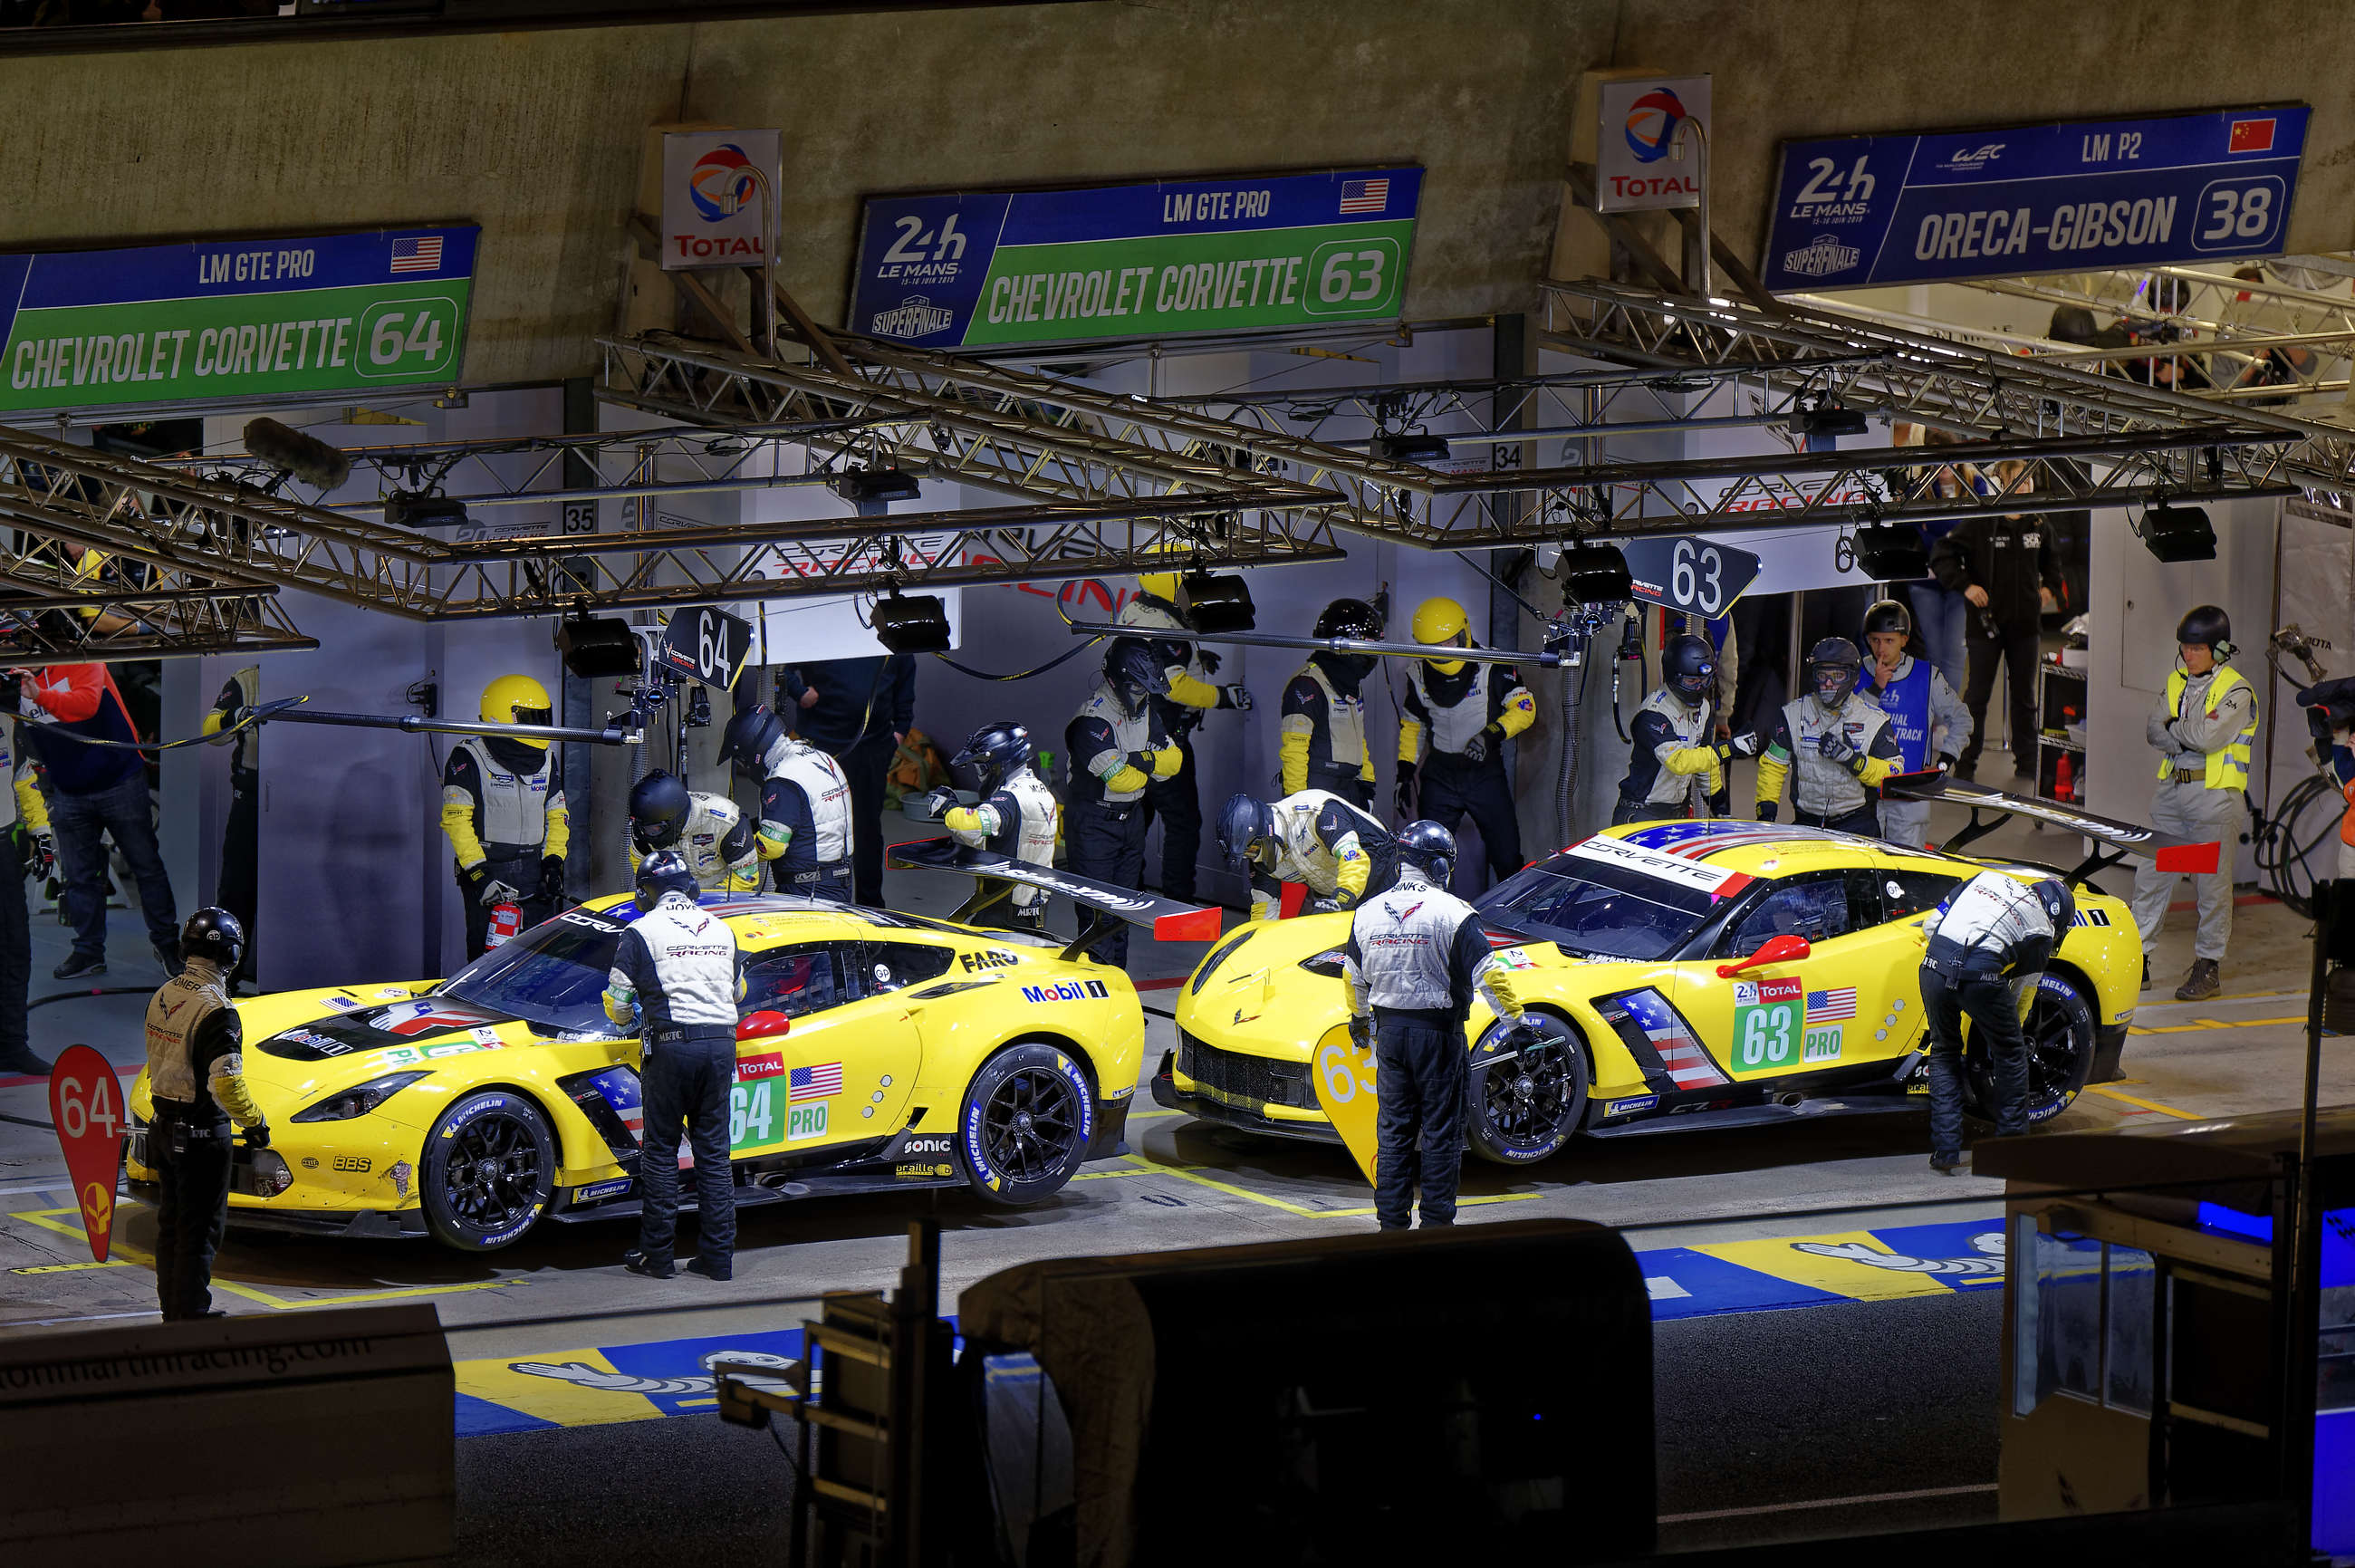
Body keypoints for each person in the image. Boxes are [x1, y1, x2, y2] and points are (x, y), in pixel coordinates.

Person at [1341, 820, 1536, 1229]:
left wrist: (1359, 1019)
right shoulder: (1456, 913)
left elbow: (1352, 976)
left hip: (1390, 1036)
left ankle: (1391, 1227)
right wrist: (1516, 1024)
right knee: (1442, 1136)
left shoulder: (1366, 912)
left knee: (1393, 1136)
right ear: (1438, 867)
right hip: (1439, 1038)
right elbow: (1490, 974)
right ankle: (1435, 1229)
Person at [606, 851, 744, 1282]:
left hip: (671, 1048)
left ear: (646, 893)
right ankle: (719, 1260)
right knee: (715, 1156)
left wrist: (635, 1015)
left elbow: (618, 1006)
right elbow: (738, 992)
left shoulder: (640, 932)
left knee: (662, 1153)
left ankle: (658, 1258)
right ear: (690, 888)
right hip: (722, 1046)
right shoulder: (723, 929)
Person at [17, 661, 178, 977]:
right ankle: (88, 951)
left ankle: (168, 945)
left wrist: (40, 695)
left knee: (146, 866)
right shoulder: (13, 681)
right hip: (68, 791)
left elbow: (86, 706)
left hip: (119, 780)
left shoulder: (84, 660)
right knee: (79, 877)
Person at [2129, 606, 2256, 1002]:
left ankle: (2208, 966)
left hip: (2213, 800)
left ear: (2219, 650)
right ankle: (2139, 960)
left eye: (2197, 648)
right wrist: (2184, 733)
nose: (2188, 654)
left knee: (2212, 887)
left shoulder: (2237, 690)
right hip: (2172, 796)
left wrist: (2176, 730)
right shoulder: (2176, 681)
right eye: (2184, 646)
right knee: (2152, 878)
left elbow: (2209, 737)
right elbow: (2153, 730)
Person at [141, 908, 264, 1319]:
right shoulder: (217, 1011)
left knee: (170, 1228)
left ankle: (172, 1314)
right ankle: (191, 1318)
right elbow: (225, 1083)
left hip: (162, 1129)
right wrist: (255, 1121)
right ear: (231, 955)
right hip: (200, 1138)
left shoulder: (164, 994)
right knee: (199, 1234)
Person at [1919, 871, 2071, 1173]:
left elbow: (1931, 926)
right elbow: (2020, 1000)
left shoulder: (1982, 878)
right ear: (2057, 919)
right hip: (1983, 974)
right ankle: (2009, 1151)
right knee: (2012, 1054)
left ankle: (1945, 1151)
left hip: (1933, 965)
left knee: (1944, 1052)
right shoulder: (2042, 931)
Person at [1119, 572, 1252, 899]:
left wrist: (1194, 658)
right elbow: (1175, 687)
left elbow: (1151, 660)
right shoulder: (1167, 629)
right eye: (1188, 587)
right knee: (1183, 824)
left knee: (1137, 818)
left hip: (1131, 732)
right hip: (1165, 739)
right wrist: (1224, 696)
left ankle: (1127, 895)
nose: (1195, 595)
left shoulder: (1136, 608)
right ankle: (1178, 903)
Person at [1929, 462, 2064, 782]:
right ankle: (1965, 765)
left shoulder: (2039, 523)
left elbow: (2055, 562)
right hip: (1985, 627)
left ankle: (2028, 765)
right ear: (2000, 482)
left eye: (2028, 479)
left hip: (2026, 627)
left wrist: (2049, 588)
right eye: (2016, 480)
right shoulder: (1981, 523)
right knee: (1977, 697)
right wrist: (1966, 585)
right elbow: (1941, 553)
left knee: (2025, 698)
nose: (2024, 486)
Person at [1397, 595, 1534, 882]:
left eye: (1449, 642)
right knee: (1428, 859)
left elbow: (1525, 708)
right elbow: (1413, 725)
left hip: (1484, 774)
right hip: (1439, 776)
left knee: (1508, 858)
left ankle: (1509, 923)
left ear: (1464, 633)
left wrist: (1490, 734)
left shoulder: (1493, 663)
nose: (1443, 650)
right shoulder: (1417, 672)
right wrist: (1405, 772)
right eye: (1434, 646)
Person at [1064, 638, 1179, 967]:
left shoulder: (1146, 712)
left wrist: (1135, 759)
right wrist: (1150, 765)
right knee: (1097, 915)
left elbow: (1174, 763)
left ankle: (1117, 994)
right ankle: (1095, 1000)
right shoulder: (1090, 722)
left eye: (1146, 688)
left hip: (1132, 820)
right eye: (1136, 687)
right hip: (1092, 825)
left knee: (1122, 912)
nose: (1141, 695)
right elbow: (1121, 780)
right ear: (1115, 679)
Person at [439, 674, 570, 959]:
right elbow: (457, 821)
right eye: (531, 717)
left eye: (542, 716)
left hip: (535, 871)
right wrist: (479, 876)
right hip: (488, 871)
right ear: (502, 716)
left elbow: (557, 814)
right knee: (488, 964)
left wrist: (553, 863)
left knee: (540, 959)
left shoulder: (547, 758)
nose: (539, 724)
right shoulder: (467, 757)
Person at [778, 655, 915, 907]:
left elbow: (905, 683)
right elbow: (781, 671)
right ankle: (808, 902)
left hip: (872, 747)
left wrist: (899, 732)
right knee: (813, 827)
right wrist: (800, 692)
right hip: (820, 745)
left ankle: (870, 905)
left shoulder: (887, 637)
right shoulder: (821, 629)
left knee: (867, 829)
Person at [1754, 639, 1903, 834]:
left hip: (1857, 823)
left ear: (1854, 678)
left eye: (1838, 675)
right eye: (1822, 675)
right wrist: (1766, 812)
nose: (1829, 683)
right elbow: (1773, 765)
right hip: (1807, 822)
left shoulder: (1874, 720)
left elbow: (1894, 773)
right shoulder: (1792, 714)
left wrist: (1853, 760)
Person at [1858, 599, 1974, 849]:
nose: (1881, 649)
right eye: (1875, 640)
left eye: (1889, 641)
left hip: (1910, 796)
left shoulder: (1927, 675)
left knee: (1906, 869)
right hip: (1863, 794)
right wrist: (1876, 688)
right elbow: (1848, 723)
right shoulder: (1858, 674)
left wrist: (1946, 760)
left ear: (1904, 640)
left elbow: (1962, 719)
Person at [923, 720, 1059, 930]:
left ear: (998, 763)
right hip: (1035, 903)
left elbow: (972, 825)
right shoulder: (1041, 791)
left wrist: (947, 807)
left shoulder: (1010, 799)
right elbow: (1004, 833)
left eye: (981, 767)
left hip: (1004, 905)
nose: (981, 774)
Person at [718, 702, 852, 899]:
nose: (744, 765)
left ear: (751, 750)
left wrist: (733, 850)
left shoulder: (782, 780)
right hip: (838, 879)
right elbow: (801, 817)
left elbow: (771, 846)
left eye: (742, 759)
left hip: (808, 889)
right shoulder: (820, 757)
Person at [1216, 787, 1399, 924]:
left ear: (1263, 832)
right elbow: (1263, 916)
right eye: (1247, 855)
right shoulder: (1261, 860)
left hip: (1387, 879)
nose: (1253, 858)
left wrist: (1340, 901)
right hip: (1344, 900)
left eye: (1251, 850)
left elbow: (1354, 859)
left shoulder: (1314, 812)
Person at [1615, 632, 1736, 825]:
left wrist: (1720, 807)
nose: (1699, 687)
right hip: (1641, 812)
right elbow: (1679, 762)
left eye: (1704, 681)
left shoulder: (1704, 708)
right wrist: (1729, 748)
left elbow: (1704, 760)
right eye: (1691, 681)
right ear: (1674, 676)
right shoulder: (1653, 713)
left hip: (1677, 813)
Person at [1281, 598, 1382, 807]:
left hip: (1349, 788)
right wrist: (1296, 802)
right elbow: (1294, 750)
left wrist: (1367, 783)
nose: (1371, 655)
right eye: (1366, 646)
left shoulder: (1350, 684)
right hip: (1316, 791)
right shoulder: (1307, 684)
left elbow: (1358, 739)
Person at [0, 700, 53, 1076]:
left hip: (1, 846)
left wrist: (41, 833)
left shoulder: (7, 722)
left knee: (14, 947)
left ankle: (11, 1044)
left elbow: (25, 779)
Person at [199, 668, 258, 988]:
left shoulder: (316, 672)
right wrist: (238, 714)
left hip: (300, 797)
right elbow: (212, 732)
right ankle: (226, 979)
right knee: (237, 890)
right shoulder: (246, 680)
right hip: (249, 798)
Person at [629, 770, 760, 893]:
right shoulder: (642, 825)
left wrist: (708, 903)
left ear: (675, 820)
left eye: (654, 829)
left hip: (723, 899)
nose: (647, 834)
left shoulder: (724, 821)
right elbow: (641, 866)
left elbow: (746, 877)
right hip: (673, 900)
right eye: (645, 828)